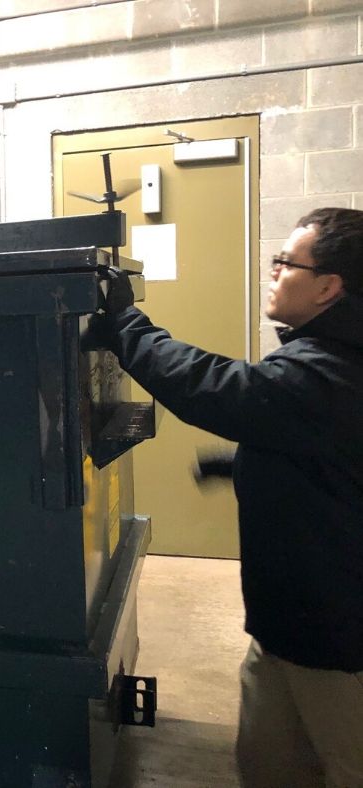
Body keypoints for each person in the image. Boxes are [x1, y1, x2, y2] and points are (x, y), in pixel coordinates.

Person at [94, 207, 363, 787]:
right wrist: (248, 463)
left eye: (285, 262)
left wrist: (126, 327)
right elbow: (320, 446)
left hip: (341, 644)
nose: (274, 272)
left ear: (328, 287)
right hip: (288, 626)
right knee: (267, 763)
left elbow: (220, 390)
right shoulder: (325, 361)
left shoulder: (330, 369)